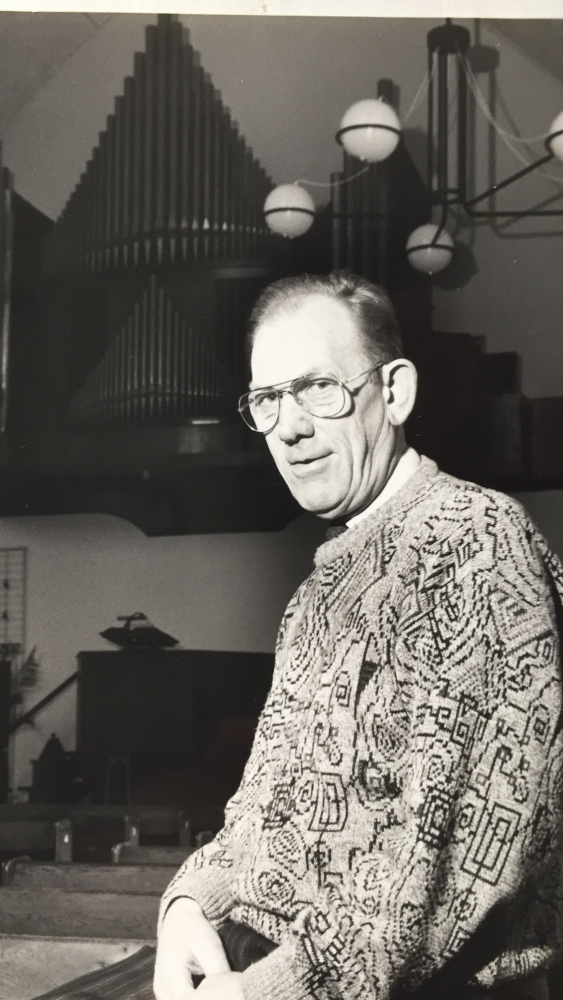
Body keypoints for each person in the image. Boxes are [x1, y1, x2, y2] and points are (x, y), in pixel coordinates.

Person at [153, 272, 563, 1000]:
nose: (290, 426)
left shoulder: (474, 541)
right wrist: (190, 905)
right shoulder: (314, 596)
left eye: (317, 387)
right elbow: (264, 809)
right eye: (267, 399)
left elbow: (463, 862)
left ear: (395, 392)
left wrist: (271, 987)